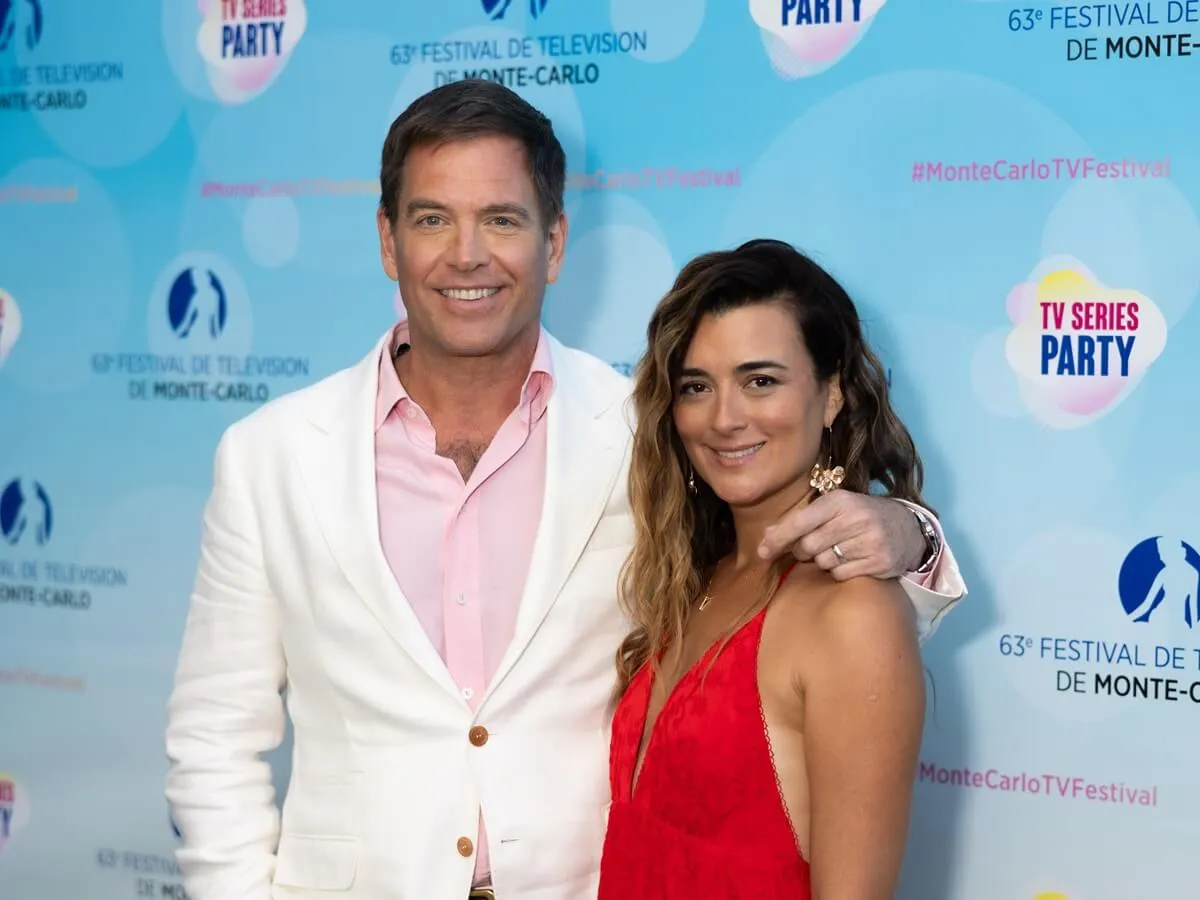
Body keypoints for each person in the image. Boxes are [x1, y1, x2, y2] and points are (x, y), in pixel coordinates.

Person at [164, 80, 965, 900]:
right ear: (386, 240)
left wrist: (907, 532)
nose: (467, 254)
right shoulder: (269, 457)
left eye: (502, 220)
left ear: (552, 242)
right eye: (432, 217)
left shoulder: (645, 434)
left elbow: (787, 580)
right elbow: (212, 738)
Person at [598, 239, 929, 899]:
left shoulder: (853, 614)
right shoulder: (697, 574)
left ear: (832, 394)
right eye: (697, 386)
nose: (724, 419)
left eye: (761, 381)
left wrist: (914, 530)